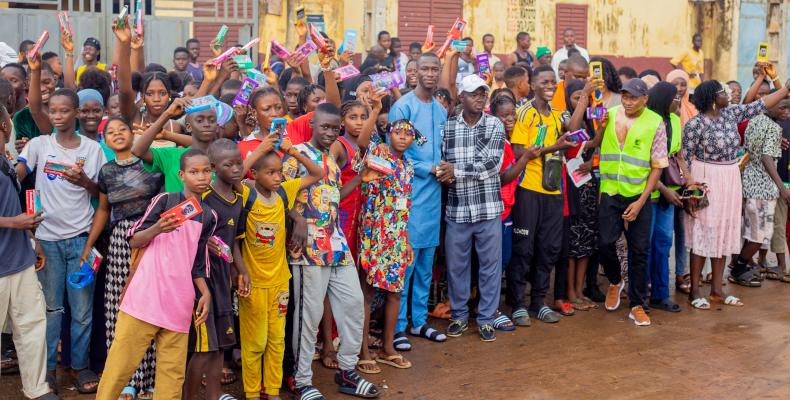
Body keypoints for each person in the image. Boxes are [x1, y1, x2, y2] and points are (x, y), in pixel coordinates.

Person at [95, 149, 216, 400]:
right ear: (182, 175)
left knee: (172, 375)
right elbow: (135, 240)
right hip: (145, 298)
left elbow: (198, 263)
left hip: (179, 304)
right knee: (120, 365)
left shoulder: (208, 216)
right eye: (194, 172)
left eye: (206, 171)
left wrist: (204, 293)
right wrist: (159, 227)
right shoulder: (165, 201)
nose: (201, 177)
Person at [282, 103, 379, 400]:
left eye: (334, 129)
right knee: (307, 317)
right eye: (324, 127)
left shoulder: (331, 160)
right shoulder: (295, 155)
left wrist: (358, 180)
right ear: (312, 125)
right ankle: (300, 381)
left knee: (352, 307)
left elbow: (334, 196)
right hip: (307, 248)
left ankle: (347, 371)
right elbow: (277, 192)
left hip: (336, 246)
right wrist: (296, 218)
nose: (329, 132)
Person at [15, 88, 107, 392]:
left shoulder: (92, 149)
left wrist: (83, 181)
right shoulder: (40, 145)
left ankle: (79, 367)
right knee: (52, 309)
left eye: (64, 110)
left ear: (76, 113)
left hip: (81, 239)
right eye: (52, 111)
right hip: (46, 241)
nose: (57, 116)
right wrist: (11, 172)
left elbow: (99, 195)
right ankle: (49, 370)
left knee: (81, 311)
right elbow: (20, 171)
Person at [682, 80, 790, 306]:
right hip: (706, 178)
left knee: (724, 230)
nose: (729, 94)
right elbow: (683, 157)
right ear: (712, 98)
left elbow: (761, 105)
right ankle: (695, 291)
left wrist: (786, 89)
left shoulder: (730, 114)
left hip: (730, 177)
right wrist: (691, 185)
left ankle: (716, 291)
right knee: (703, 231)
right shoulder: (696, 124)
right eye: (723, 92)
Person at [79, 116, 162, 399]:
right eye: (110, 132)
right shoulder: (106, 171)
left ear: (133, 132)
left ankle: (151, 379)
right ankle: (127, 378)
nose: (116, 134)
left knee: (151, 307)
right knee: (119, 308)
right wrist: (89, 245)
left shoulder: (151, 164)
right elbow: (103, 211)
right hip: (119, 241)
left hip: (152, 236)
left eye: (121, 129)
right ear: (105, 140)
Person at [238, 133, 324, 400]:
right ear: (254, 174)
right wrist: (260, 149)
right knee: (255, 343)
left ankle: (271, 390)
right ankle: (252, 392)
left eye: (278, 172)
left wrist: (293, 152)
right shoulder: (245, 193)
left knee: (276, 340)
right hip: (253, 284)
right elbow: (230, 178)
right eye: (270, 173)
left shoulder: (284, 192)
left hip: (279, 281)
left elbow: (318, 172)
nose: (277, 178)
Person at [589, 78, 667, 326]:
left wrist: (641, 201)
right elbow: (597, 143)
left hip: (638, 195)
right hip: (611, 191)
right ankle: (615, 281)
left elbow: (657, 166)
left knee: (639, 251)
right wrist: (600, 127)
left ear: (645, 99)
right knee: (604, 243)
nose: (628, 101)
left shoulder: (656, 122)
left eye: (634, 97)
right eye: (625, 96)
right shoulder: (610, 114)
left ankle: (637, 304)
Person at [0, 103, 61, 400]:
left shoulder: (5, 161)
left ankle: (37, 389)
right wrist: (15, 222)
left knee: (32, 326)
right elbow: (10, 215)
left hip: (20, 260)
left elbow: (10, 205)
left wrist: (29, 237)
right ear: (4, 126)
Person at [388, 53, 448, 351]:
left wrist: (446, 169)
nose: (429, 73)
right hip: (410, 196)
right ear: (414, 72)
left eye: (434, 69)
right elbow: (398, 152)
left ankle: (419, 320)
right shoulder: (404, 106)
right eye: (424, 68)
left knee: (426, 263)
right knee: (407, 264)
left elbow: (442, 150)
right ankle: (398, 326)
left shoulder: (440, 109)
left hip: (434, 197)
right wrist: (430, 169)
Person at [442, 74, 507, 341]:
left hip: (488, 208)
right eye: (473, 93)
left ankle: (486, 317)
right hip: (457, 208)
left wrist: (455, 171)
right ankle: (458, 315)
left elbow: (492, 165)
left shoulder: (495, 125)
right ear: (462, 97)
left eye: (483, 93)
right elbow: (442, 164)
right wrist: (448, 172)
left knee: (490, 266)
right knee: (456, 266)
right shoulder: (448, 127)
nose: (479, 98)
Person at [507, 65, 571, 325]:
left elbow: (572, 132)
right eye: (544, 81)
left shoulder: (557, 115)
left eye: (552, 82)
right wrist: (553, 147)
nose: (549, 85)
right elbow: (520, 150)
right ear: (532, 84)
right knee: (524, 248)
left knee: (549, 248)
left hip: (553, 189)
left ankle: (539, 302)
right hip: (528, 189)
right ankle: (518, 304)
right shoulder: (524, 114)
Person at [358, 120, 423, 370]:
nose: (403, 138)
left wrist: (405, 239)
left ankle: (387, 348)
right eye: (398, 133)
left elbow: (404, 206)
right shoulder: (379, 155)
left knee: (395, 292)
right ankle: (363, 351)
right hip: (374, 234)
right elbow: (363, 146)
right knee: (369, 292)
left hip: (396, 236)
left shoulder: (408, 166)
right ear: (388, 135)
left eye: (409, 134)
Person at [730, 97, 790, 295]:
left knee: (751, 232)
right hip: (763, 188)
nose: (786, 112)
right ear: (769, 105)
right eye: (782, 108)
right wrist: (782, 187)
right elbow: (766, 158)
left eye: (789, 109)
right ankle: (739, 268)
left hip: (750, 183)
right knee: (759, 236)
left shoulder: (756, 120)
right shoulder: (773, 128)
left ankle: (741, 265)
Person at [645, 82, 689, 313]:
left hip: (668, 194)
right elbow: (645, 163)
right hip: (648, 195)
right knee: (645, 245)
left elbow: (678, 156)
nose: (679, 102)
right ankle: (641, 294)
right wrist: (664, 190)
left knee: (663, 243)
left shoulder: (673, 120)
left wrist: (689, 181)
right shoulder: (646, 121)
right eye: (675, 98)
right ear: (663, 99)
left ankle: (660, 294)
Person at [114, 20, 191, 150]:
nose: (156, 99)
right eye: (150, 94)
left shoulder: (175, 127)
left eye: (162, 93)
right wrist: (124, 43)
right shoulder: (135, 117)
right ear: (142, 97)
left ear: (169, 96)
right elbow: (125, 91)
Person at [563, 79, 602, 311]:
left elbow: (597, 143)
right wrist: (585, 95)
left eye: (584, 96)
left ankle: (579, 291)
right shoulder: (563, 117)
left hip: (589, 186)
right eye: (577, 97)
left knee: (587, 241)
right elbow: (572, 132)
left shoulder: (591, 119)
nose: (582, 100)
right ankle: (569, 292)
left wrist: (602, 124)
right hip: (571, 186)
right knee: (572, 244)